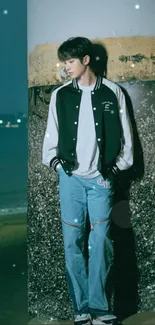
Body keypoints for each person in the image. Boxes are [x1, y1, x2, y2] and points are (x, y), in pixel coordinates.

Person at [42, 37, 133, 325]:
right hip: (70, 181)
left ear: (85, 61)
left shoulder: (112, 92)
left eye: (70, 61)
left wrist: (115, 170)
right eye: (64, 61)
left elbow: (127, 141)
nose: (65, 67)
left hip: (101, 182)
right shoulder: (60, 95)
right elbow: (50, 138)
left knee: (102, 243)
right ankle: (81, 308)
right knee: (72, 244)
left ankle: (100, 308)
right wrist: (57, 165)